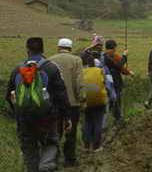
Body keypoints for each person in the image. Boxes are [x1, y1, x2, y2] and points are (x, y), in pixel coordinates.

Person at [5, 37, 71, 172]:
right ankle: (45, 167)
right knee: (50, 144)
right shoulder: (51, 68)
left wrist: (19, 112)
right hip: (47, 119)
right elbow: (61, 96)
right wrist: (66, 117)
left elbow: (8, 96)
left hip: (24, 120)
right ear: (42, 50)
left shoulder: (17, 69)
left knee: (29, 149)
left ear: (27, 50)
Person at [49, 38, 85, 167]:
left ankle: (53, 159)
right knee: (71, 132)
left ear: (58, 47)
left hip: (54, 104)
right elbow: (79, 82)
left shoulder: (50, 60)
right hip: (72, 103)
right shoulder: (76, 60)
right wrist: (82, 98)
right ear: (70, 48)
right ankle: (69, 159)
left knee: (55, 132)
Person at [82, 56, 116, 152]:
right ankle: (96, 146)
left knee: (87, 123)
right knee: (98, 123)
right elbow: (108, 86)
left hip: (87, 101)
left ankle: (86, 145)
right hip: (99, 101)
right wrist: (113, 97)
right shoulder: (101, 71)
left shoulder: (83, 72)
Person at [102, 39, 132, 125]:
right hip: (113, 83)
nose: (115, 50)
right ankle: (116, 119)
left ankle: (116, 118)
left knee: (115, 101)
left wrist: (127, 72)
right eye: (114, 49)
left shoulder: (104, 56)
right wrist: (125, 56)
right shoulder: (106, 58)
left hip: (110, 83)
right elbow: (118, 66)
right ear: (110, 49)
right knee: (116, 101)